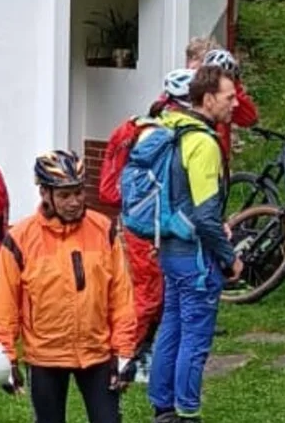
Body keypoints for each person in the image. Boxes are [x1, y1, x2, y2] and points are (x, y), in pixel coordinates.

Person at [0, 149, 136, 423]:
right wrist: (6, 355)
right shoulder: (20, 239)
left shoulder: (103, 228)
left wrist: (124, 350)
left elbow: (121, 295)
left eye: (79, 192)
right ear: (45, 194)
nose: (74, 202)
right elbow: (5, 305)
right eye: (64, 195)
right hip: (45, 355)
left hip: (97, 352)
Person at [146, 65, 244, 423]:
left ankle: (162, 407)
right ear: (208, 99)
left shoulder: (172, 126)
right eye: (229, 97)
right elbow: (204, 216)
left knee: (171, 327)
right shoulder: (202, 142)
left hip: (170, 248)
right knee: (195, 338)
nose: (236, 103)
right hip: (196, 258)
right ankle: (187, 413)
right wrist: (230, 258)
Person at [127, 68, 196, 384]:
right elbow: (161, 189)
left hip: (156, 227)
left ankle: (144, 354)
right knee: (149, 296)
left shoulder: (163, 129)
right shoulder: (162, 135)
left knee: (159, 297)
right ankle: (125, 357)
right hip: (149, 229)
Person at [199, 48, 259, 159]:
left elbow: (250, 118)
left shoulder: (229, 103)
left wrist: (233, 90)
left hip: (221, 158)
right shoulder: (192, 97)